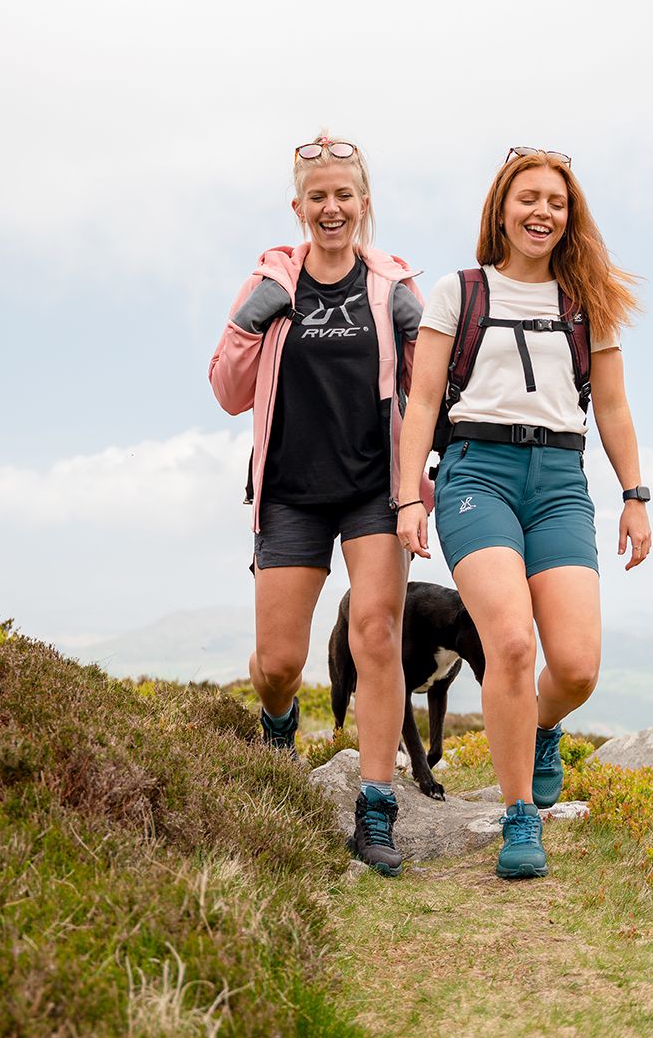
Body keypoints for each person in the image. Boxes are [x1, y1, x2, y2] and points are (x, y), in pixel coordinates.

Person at [396, 146, 651, 880]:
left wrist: (635, 495)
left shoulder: (587, 299)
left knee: (574, 666)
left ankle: (541, 726)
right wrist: (409, 492)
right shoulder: (460, 291)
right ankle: (519, 817)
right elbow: (421, 401)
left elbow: (612, 406)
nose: (542, 211)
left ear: (570, 219)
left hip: (561, 481)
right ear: (501, 209)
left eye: (557, 202)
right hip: (480, 475)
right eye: (528, 198)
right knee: (509, 642)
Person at [208, 134, 428, 877]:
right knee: (277, 663)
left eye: (345, 195)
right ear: (298, 206)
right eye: (318, 196)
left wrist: (418, 483)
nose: (332, 208)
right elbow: (229, 392)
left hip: (375, 488)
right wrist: (249, 323)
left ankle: (375, 806)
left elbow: (431, 396)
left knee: (376, 632)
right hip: (292, 492)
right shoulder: (269, 283)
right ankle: (279, 727)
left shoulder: (395, 288)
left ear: (365, 204)